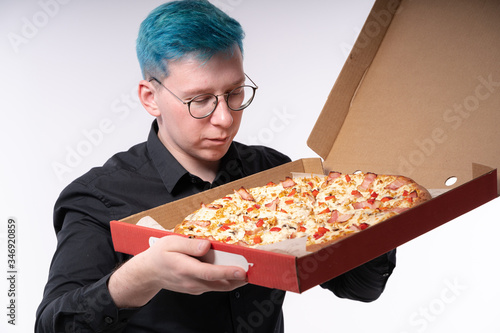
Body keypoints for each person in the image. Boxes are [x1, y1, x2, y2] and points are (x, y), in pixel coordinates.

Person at [36, 1, 396, 332]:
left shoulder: (276, 174)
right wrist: (142, 276)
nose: (224, 118)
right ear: (151, 98)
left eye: (235, 93)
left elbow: (360, 288)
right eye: (201, 100)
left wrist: (371, 208)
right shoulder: (98, 197)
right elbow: (52, 325)